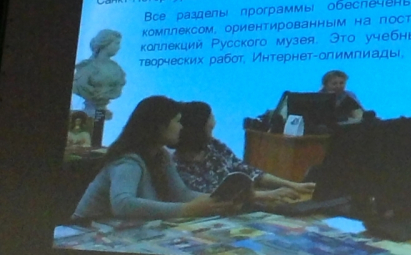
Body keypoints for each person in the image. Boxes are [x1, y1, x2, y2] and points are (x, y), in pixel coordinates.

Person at [72, 96, 236, 220]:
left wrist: (218, 202)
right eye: (177, 121)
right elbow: (122, 204)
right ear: (159, 125)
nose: (181, 127)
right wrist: (187, 210)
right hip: (86, 232)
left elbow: (181, 193)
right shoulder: (128, 159)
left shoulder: (161, 155)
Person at [173, 101, 315, 204]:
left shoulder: (214, 146)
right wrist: (267, 195)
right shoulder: (176, 161)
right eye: (211, 118)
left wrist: (293, 185)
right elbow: (212, 196)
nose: (214, 122)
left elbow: (248, 171)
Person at [72, 29, 127, 118]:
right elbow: (80, 85)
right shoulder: (87, 66)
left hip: (102, 112)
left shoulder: (117, 69)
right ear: (105, 43)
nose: (119, 47)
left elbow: (118, 87)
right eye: (116, 43)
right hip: (89, 112)